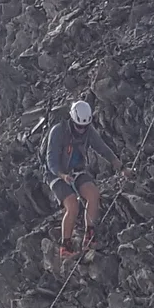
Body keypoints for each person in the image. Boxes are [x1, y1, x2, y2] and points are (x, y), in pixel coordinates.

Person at [42, 98, 113, 259]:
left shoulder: (88, 132)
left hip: (76, 171)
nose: (81, 130)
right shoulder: (58, 132)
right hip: (56, 174)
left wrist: (121, 167)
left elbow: (102, 148)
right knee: (72, 205)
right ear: (72, 121)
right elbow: (51, 161)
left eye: (84, 127)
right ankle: (65, 246)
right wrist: (62, 175)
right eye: (78, 126)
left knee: (93, 194)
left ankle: (90, 236)